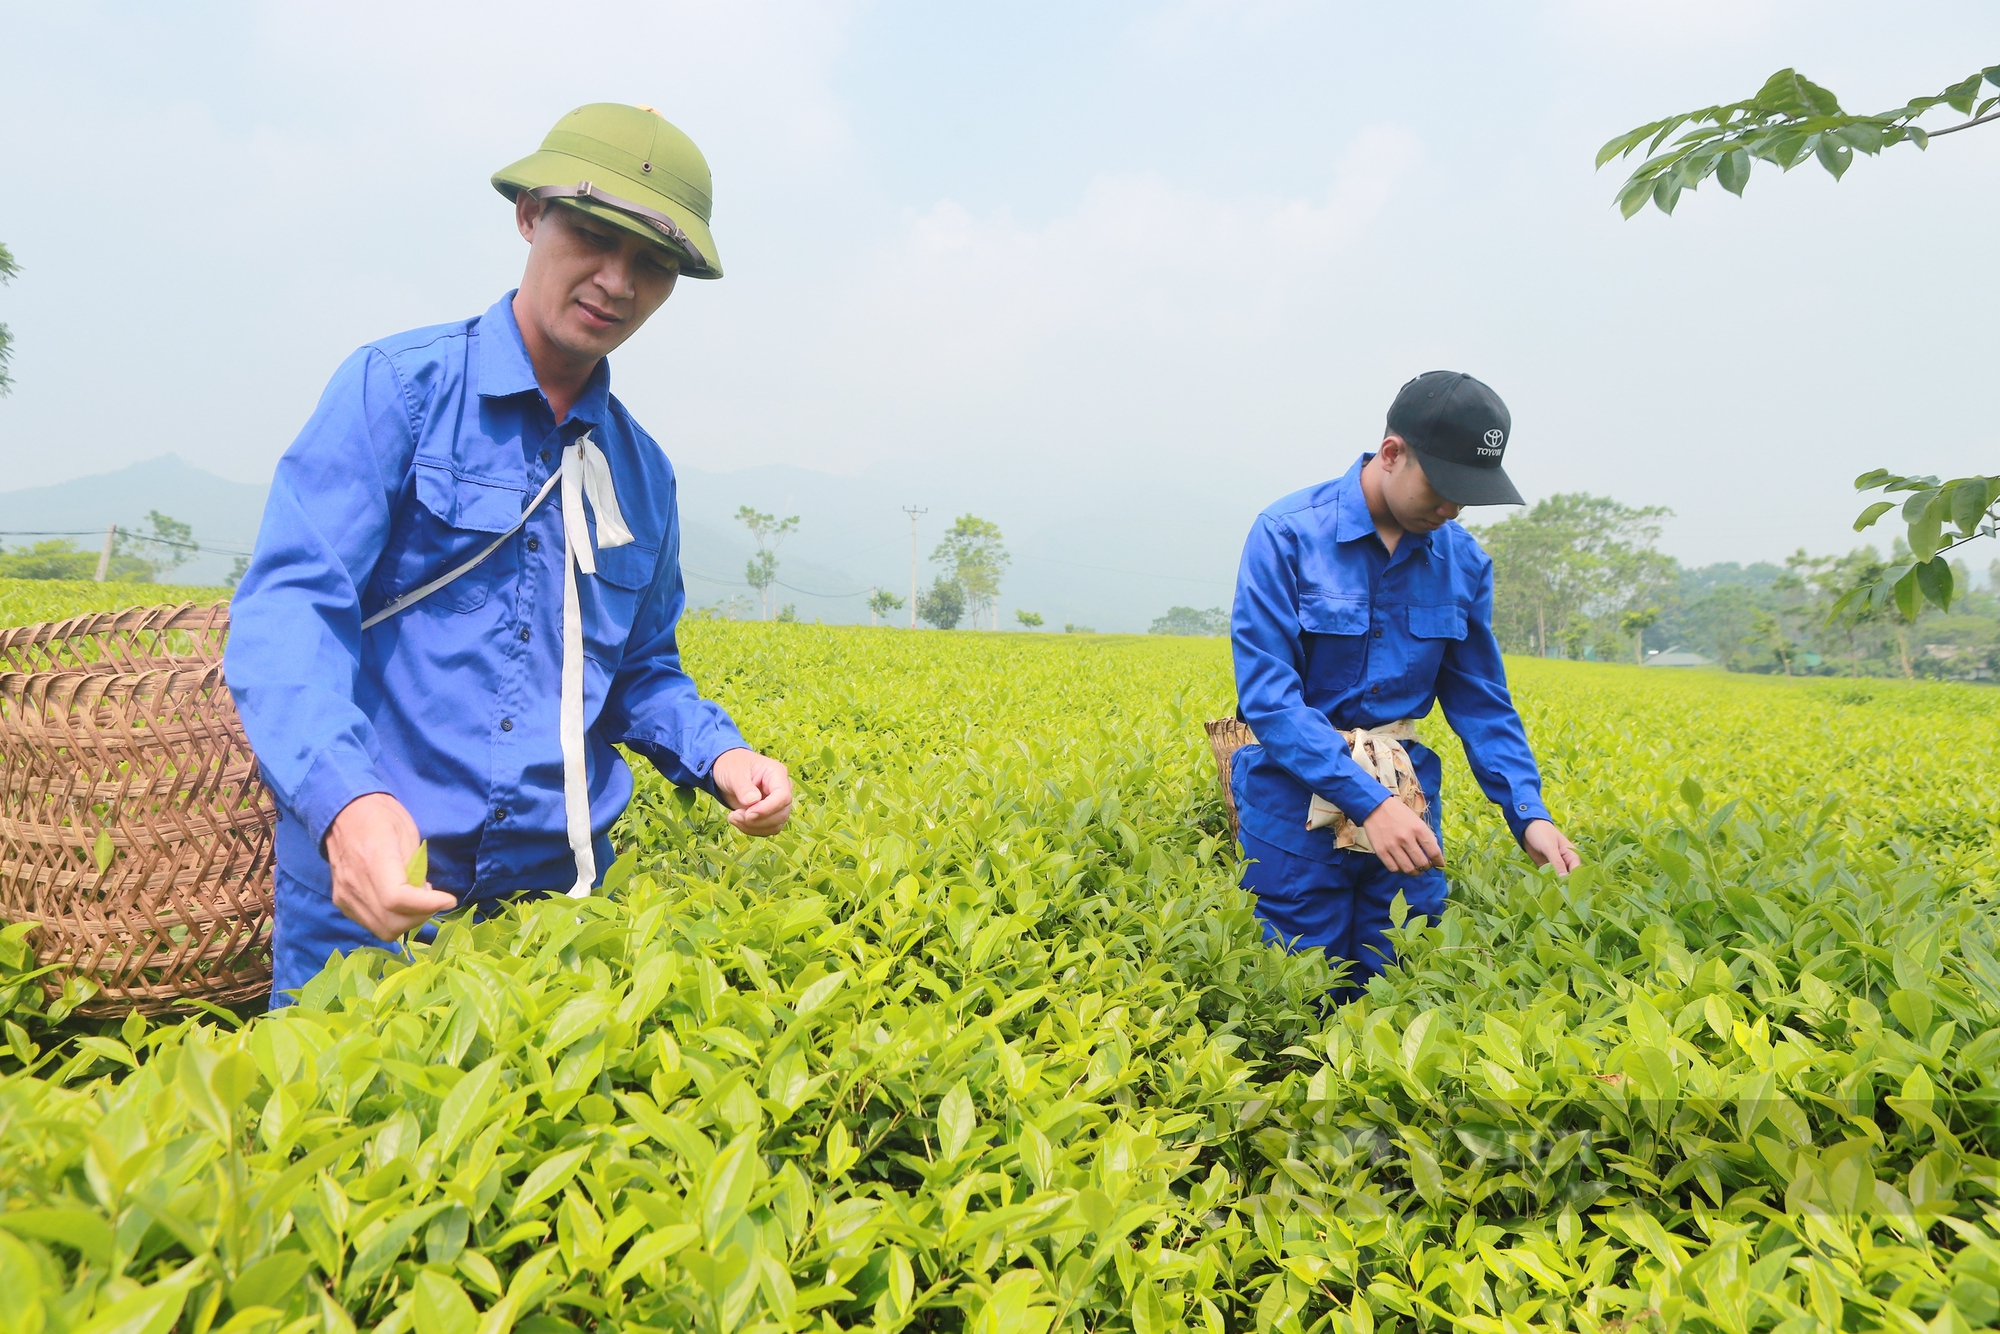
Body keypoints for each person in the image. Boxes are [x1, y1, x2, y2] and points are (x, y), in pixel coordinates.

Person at [227, 104, 794, 1005]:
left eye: (653, 263)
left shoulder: (642, 476)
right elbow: (292, 613)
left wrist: (721, 756)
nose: (616, 280)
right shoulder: (399, 392)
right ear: (531, 214)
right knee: (323, 1133)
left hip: (557, 913)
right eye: (592, 234)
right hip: (375, 891)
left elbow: (640, 670)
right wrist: (348, 803)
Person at [1229, 370, 1578, 996]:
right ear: (1392, 454)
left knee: (1400, 975)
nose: (1450, 509)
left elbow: (1481, 701)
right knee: (1302, 989)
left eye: (1466, 497)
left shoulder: (1462, 560)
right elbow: (1270, 701)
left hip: (1407, 797)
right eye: (1442, 488)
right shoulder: (1286, 535)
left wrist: (1528, 812)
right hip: (1292, 803)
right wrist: (1369, 804)